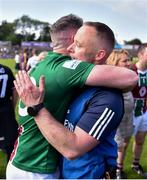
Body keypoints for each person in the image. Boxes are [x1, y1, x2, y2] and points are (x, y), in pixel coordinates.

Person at [7, 14, 137, 179]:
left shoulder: (107, 97)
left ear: (99, 55)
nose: (69, 49)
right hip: (43, 169)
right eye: (73, 42)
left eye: (78, 44)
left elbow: (73, 149)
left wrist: (37, 108)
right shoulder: (75, 80)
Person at [106, 49, 134, 179]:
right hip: (116, 119)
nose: (129, 63)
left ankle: (120, 168)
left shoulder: (127, 76)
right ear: (114, 63)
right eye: (125, 61)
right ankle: (114, 171)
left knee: (125, 143)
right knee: (119, 146)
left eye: (129, 60)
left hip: (129, 116)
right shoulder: (110, 80)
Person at [131, 43, 147, 178]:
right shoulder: (130, 71)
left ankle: (135, 165)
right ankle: (118, 168)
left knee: (140, 140)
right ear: (140, 55)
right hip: (129, 114)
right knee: (122, 144)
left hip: (144, 112)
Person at [0, 64, 18, 162]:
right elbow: (14, 91)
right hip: (6, 111)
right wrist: (12, 106)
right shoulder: (6, 69)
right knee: (10, 145)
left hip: (6, 112)